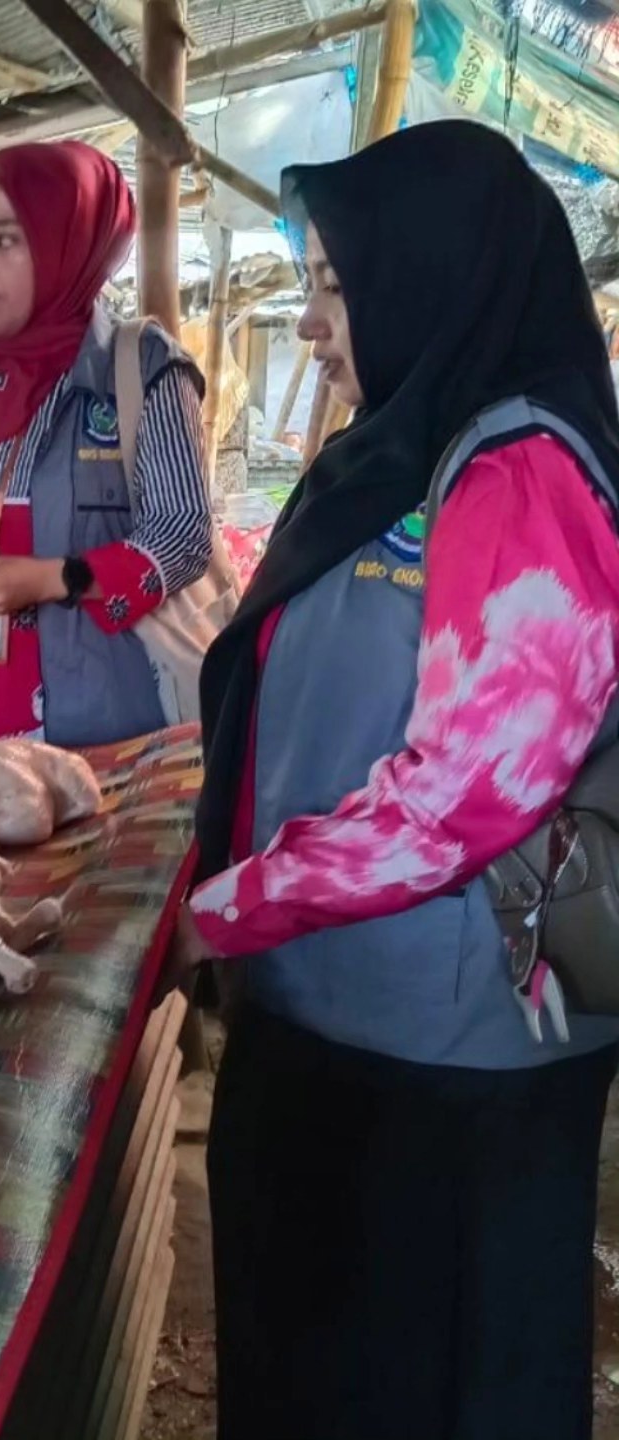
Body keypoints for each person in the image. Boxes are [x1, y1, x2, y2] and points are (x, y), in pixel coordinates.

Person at [182, 120, 619, 1440]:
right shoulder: (406, 445)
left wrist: (226, 906)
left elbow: (469, 791)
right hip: (344, 1035)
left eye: (333, 282)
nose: (314, 322)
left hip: (452, 1077)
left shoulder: (521, 471)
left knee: (425, 1387)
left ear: (432, 268)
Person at [0, 140, 212, 745]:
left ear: (71, 241)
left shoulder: (140, 372)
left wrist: (60, 578)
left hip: (99, 742)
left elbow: (183, 535)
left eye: (5, 239)